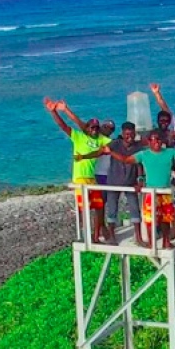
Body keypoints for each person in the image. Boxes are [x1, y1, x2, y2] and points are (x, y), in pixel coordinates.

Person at [43, 97, 108, 243]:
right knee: (83, 207)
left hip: (92, 178)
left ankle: (97, 235)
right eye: (92, 127)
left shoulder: (100, 139)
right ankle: (86, 236)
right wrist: (54, 112)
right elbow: (64, 126)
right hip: (80, 178)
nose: (94, 130)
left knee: (99, 206)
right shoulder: (79, 137)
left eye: (97, 128)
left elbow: (115, 145)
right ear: (88, 128)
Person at [134, 130, 175, 249]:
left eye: (158, 139)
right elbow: (127, 160)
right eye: (153, 139)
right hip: (151, 191)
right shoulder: (144, 154)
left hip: (165, 191)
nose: (156, 141)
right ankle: (151, 242)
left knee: (166, 218)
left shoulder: (169, 152)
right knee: (150, 219)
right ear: (148, 141)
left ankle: (166, 241)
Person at [102, 121, 145, 237]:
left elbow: (139, 165)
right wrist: (83, 157)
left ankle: (138, 237)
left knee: (135, 208)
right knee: (112, 210)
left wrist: (140, 180)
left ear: (135, 133)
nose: (129, 137)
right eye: (126, 134)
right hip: (113, 181)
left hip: (130, 182)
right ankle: (112, 236)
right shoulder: (115, 144)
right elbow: (100, 151)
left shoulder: (138, 148)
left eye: (131, 134)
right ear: (122, 133)